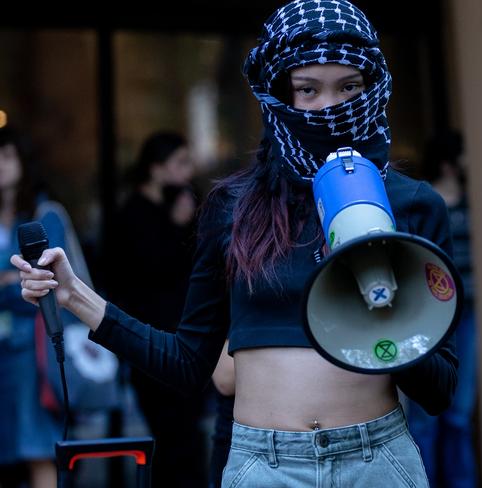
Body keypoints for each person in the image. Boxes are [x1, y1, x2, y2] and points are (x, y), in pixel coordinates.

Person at [12, 2, 458, 486]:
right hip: (264, 465)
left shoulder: (413, 204)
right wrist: (75, 294)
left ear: (372, 89)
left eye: (348, 87)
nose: (329, 107)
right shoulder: (235, 207)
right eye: (308, 90)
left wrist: (383, 298)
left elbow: (440, 390)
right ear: (279, 94)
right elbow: (187, 363)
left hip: (376, 460)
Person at [107, 131, 209, 487]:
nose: (188, 170)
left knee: (186, 436)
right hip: (151, 338)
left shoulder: (179, 205)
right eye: (179, 163)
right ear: (156, 169)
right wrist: (178, 227)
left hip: (183, 335)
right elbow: (150, 271)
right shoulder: (134, 215)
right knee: (172, 438)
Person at [407, 130, 478, 487]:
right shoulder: (423, 203)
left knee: (459, 416)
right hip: (428, 319)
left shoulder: (473, 202)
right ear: (450, 162)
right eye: (464, 155)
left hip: (466, 318)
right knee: (424, 420)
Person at [0, 125, 65, 488]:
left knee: (39, 447)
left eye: (7, 156)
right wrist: (11, 281)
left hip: (32, 352)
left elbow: (49, 282)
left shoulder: (43, 214)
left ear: (23, 162)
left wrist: (12, 285)